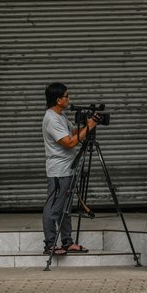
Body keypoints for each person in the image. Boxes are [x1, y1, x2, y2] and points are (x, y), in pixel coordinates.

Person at [42, 82, 97, 255]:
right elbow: (69, 142)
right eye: (67, 96)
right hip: (59, 171)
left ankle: (67, 242)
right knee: (54, 207)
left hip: (68, 168)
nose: (69, 99)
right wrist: (89, 127)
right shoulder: (51, 118)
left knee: (65, 207)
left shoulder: (61, 115)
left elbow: (72, 132)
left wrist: (85, 125)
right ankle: (50, 244)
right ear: (58, 100)